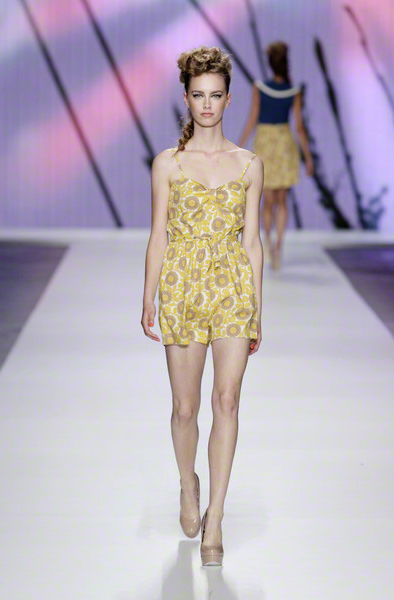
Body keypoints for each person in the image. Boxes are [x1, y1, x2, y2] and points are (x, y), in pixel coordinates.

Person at [141, 46, 264, 567]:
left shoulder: (250, 164)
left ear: (229, 99)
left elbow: (252, 242)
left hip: (233, 287)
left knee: (227, 401)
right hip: (182, 286)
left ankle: (216, 518)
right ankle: (188, 485)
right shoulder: (167, 164)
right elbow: (158, 235)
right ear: (187, 98)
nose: (207, 104)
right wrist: (148, 295)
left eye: (216, 95)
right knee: (185, 408)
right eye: (198, 95)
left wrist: (257, 309)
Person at [239, 41, 314, 269]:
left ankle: (270, 243)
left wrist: (237, 149)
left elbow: (252, 120)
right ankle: (278, 245)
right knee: (281, 199)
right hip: (283, 143)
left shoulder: (260, 88)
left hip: (265, 143)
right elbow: (299, 128)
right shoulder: (294, 91)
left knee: (268, 200)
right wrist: (308, 157)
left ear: (270, 64)